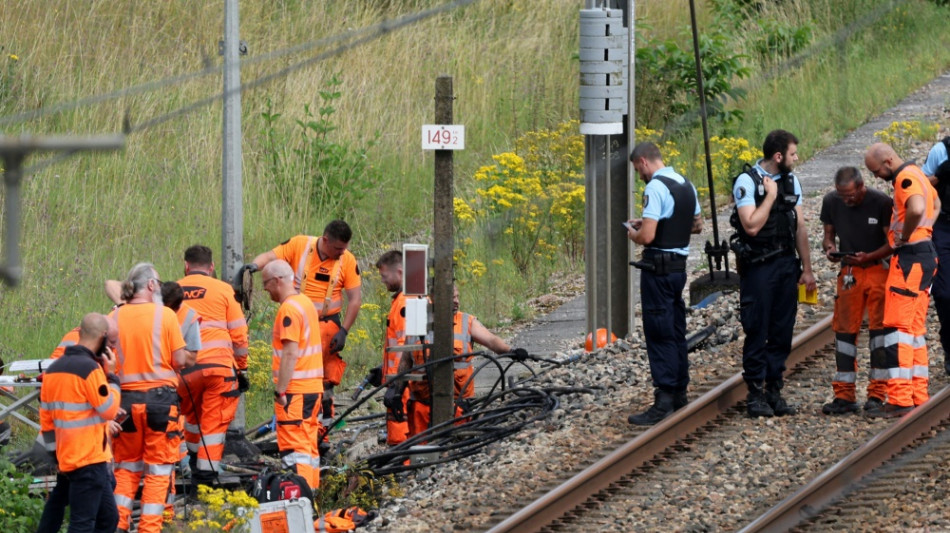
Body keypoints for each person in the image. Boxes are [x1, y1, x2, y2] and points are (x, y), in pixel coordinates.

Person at [243, 220, 361, 436]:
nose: (342, 253)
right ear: (325, 240)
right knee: (297, 373)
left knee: (325, 377)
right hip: (300, 322)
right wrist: (252, 266)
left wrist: (344, 330)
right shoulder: (300, 245)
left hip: (328, 325)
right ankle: (302, 420)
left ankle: (324, 427)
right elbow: (271, 256)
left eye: (344, 248)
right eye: (338, 249)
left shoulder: (347, 260)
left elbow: (355, 299)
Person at [730, 129, 816, 418]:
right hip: (759, 267)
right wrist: (770, 197)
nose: (797, 158)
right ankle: (755, 395)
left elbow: (800, 226)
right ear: (778, 156)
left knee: (782, 330)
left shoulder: (791, 180)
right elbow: (751, 225)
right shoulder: (748, 182)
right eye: (793, 154)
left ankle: (774, 390)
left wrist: (807, 269)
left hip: (785, 265)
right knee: (757, 329)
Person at [624, 141, 703, 425]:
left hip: (657, 269)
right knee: (675, 327)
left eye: (637, 170)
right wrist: (649, 222)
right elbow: (697, 225)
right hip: (678, 269)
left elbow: (647, 237)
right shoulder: (686, 184)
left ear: (644, 162)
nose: (639, 175)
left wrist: (634, 232)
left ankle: (664, 398)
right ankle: (680, 390)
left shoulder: (655, 187)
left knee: (659, 331)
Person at [110, 263, 191, 533]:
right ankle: (149, 529)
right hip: (160, 403)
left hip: (124, 404)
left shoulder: (114, 317)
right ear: (152, 286)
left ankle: (118, 525)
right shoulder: (165, 315)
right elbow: (180, 359)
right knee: (157, 471)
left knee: (126, 468)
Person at [864, 142, 939, 417]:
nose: (875, 177)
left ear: (887, 160)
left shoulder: (905, 179)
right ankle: (919, 395)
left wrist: (906, 236)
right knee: (914, 330)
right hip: (925, 254)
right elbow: (936, 203)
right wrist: (925, 231)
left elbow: (917, 208)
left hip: (910, 258)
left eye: (875, 171)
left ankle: (899, 399)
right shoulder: (918, 173)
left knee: (898, 330)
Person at [397, 285, 522, 438]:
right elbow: (405, 361)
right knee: (420, 452)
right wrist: (396, 390)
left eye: (457, 297)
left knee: (457, 448)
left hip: (458, 406)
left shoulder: (466, 321)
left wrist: (511, 351)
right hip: (421, 408)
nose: (456, 301)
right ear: (434, 299)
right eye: (452, 298)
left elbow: (491, 340)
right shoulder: (418, 321)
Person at [36, 313, 121, 533]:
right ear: (102, 337)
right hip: (88, 459)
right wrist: (112, 378)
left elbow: (46, 421)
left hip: (69, 458)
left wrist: (56, 455)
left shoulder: (52, 370)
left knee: (109, 518)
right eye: (110, 341)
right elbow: (109, 410)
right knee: (83, 524)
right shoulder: (91, 370)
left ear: (80, 333)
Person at [819, 166, 893, 415]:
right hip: (849, 272)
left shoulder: (882, 203)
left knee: (879, 332)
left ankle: (877, 393)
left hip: (877, 270)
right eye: (842, 195)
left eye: (850, 195)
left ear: (862, 187)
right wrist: (830, 248)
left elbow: (892, 243)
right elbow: (828, 235)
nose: (846, 200)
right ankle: (844, 395)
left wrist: (869, 256)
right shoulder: (831, 201)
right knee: (844, 332)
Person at [176, 245, 249, 494]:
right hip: (218, 368)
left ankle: (196, 465)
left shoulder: (172, 291)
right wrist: (242, 369)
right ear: (212, 267)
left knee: (192, 420)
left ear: (186, 266)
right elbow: (239, 334)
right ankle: (206, 477)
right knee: (213, 422)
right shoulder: (224, 290)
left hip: (185, 371)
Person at [261, 260, 324, 490]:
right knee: (308, 448)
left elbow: (290, 352)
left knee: (295, 450)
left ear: (277, 281)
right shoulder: (305, 303)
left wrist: (281, 390)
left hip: (295, 391)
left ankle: (301, 502)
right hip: (312, 389)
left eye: (266, 284)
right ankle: (312, 496)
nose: (265, 290)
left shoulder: (288, 309)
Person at [375, 250, 410, 445]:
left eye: (384, 276)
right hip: (399, 382)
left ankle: (403, 469)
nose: (382, 281)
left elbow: (407, 347)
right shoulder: (400, 302)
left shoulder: (405, 302)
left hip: (403, 386)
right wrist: (383, 371)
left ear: (399, 272)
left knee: (401, 438)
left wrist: (397, 385)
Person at [922, 136, 950, 375]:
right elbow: (921, 186)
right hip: (945, 227)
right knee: (944, 293)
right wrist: (941, 175)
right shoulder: (941, 151)